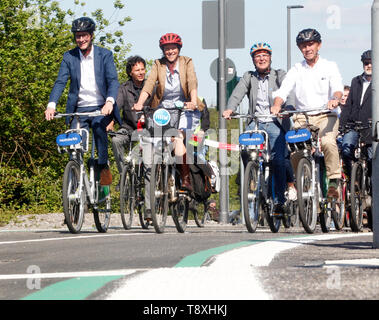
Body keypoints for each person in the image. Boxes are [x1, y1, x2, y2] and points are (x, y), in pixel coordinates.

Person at [223, 42, 297, 215]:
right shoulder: (249, 76)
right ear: (253, 60)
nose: (261, 58)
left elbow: (289, 92)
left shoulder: (279, 75)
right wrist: (230, 108)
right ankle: (252, 175)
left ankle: (279, 200)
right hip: (255, 122)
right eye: (257, 56)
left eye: (264, 55)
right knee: (244, 149)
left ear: (270, 58)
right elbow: (237, 93)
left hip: (276, 122)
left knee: (278, 160)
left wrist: (289, 109)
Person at [45, 17, 120, 186]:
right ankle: (77, 181)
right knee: (74, 143)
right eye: (78, 36)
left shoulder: (105, 55)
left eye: (84, 35)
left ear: (91, 35)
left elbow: (113, 81)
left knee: (99, 129)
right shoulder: (69, 56)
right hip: (78, 109)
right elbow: (60, 82)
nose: (81, 39)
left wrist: (109, 102)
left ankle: (103, 166)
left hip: (101, 108)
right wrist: (51, 105)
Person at [271, 28, 344, 199]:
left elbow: (338, 88)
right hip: (303, 117)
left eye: (310, 44)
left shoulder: (329, 66)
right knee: (295, 151)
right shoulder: (297, 69)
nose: (307, 48)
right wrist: (276, 105)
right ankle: (302, 179)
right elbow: (283, 90)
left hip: (327, 115)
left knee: (327, 142)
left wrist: (335, 99)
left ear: (318, 45)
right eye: (303, 46)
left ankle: (334, 181)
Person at [133, 33, 205, 194]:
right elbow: (150, 83)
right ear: (163, 50)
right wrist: (140, 103)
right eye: (166, 49)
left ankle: (185, 179)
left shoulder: (187, 62)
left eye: (173, 48)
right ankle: (157, 175)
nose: (170, 51)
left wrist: (193, 101)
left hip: (185, 107)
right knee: (154, 138)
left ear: (178, 49)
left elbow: (192, 81)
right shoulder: (158, 64)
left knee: (178, 138)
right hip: (163, 108)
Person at [108, 55, 153, 220]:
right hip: (128, 128)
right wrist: (111, 121)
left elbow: (157, 106)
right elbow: (117, 105)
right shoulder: (124, 88)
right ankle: (124, 175)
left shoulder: (152, 86)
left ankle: (149, 209)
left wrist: (148, 118)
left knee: (149, 167)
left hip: (147, 131)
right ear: (130, 72)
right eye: (137, 70)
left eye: (142, 69)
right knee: (116, 140)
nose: (141, 73)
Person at [340, 50, 372, 178]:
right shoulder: (356, 81)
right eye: (366, 63)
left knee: (371, 158)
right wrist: (342, 125)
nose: (369, 65)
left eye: (371, 63)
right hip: (353, 125)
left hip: (370, 127)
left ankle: (370, 187)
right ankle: (354, 180)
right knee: (346, 151)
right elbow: (348, 105)